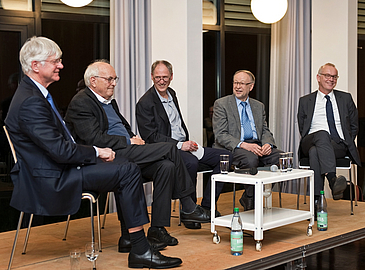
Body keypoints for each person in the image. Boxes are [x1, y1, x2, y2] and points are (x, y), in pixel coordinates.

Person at [4, 36, 182, 269]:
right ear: (36, 65)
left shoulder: (36, 95)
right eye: (55, 61)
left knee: (126, 166)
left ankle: (132, 238)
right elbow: (59, 150)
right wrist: (98, 152)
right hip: (53, 176)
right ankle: (140, 248)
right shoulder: (31, 101)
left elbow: (61, 144)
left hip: (60, 167)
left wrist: (100, 152)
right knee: (127, 169)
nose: (61, 65)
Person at [65, 60, 210, 244]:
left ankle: (157, 229)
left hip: (129, 149)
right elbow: (93, 139)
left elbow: (122, 127)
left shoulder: (108, 101)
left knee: (165, 166)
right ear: (93, 81)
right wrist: (128, 140)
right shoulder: (81, 102)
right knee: (168, 148)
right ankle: (188, 205)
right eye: (109, 79)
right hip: (111, 156)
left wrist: (133, 137)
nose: (114, 83)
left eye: (114, 79)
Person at [136, 60, 232, 230]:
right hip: (167, 150)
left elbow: (176, 123)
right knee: (191, 162)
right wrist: (180, 145)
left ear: (171, 77)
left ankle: (207, 206)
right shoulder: (145, 103)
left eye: (165, 77)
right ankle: (189, 212)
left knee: (224, 158)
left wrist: (187, 143)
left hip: (186, 145)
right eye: (157, 77)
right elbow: (151, 137)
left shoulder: (171, 93)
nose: (161, 80)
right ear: (152, 77)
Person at [212, 70, 282, 211]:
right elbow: (221, 134)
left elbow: (264, 130)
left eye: (242, 83)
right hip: (234, 147)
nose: (238, 87)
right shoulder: (222, 104)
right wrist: (244, 145)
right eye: (236, 83)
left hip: (256, 145)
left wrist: (268, 143)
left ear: (251, 86)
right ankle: (252, 199)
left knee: (280, 158)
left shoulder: (258, 106)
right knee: (250, 160)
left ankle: (248, 196)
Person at [297, 63, 361, 207]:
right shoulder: (305, 101)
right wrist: (318, 138)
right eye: (327, 75)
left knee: (315, 153)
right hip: (311, 140)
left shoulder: (345, 98)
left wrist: (347, 141)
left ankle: (316, 200)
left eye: (334, 76)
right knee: (321, 135)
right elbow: (302, 127)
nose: (331, 79)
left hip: (337, 145)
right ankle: (332, 179)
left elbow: (353, 125)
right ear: (318, 78)